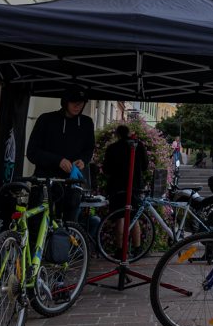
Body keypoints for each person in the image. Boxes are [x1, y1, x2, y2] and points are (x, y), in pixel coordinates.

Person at [25, 86, 94, 221]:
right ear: (65, 102)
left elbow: (89, 149)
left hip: (71, 184)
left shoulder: (87, 123)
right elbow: (32, 152)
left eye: (82, 102)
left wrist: (83, 160)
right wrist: (58, 160)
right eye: (74, 101)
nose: (78, 105)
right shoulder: (46, 120)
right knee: (36, 226)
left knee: (68, 227)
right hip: (44, 182)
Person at [102, 125, 148, 247]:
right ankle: (137, 247)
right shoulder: (139, 146)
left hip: (117, 187)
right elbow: (145, 166)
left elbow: (106, 169)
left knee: (119, 217)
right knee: (134, 217)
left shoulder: (112, 148)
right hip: (135, 185)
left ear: (117, 134)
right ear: (129, 133)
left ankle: (120, 248)